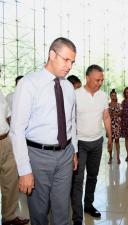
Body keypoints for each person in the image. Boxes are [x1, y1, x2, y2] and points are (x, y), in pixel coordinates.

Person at [9, 37, 78, 225]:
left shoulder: (69, 87)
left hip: (65, 155)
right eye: (66, 60)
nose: (69, 66)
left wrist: (74, 150)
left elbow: (72, 122)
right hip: (38, 156)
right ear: (52, 54)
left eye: (72, 62)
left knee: (63, 211)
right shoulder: (28, 84)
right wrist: (24, 170)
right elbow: (16, 130)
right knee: (39, 212)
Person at [71, 64, 112, 225]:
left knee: (93, 177)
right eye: (97, 80)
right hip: (80, 143)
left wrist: (109, 137)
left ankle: (88, 205)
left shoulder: (103, 95)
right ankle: (77, 217)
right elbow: (70, 120)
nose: (100, 82)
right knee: (78, 180)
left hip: (97, 142)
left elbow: (106, 117)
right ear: (87, 77)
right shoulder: (75, 95)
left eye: (102, 80)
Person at [0, 90, 29, 225]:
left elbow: (8, 116)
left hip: (5, 139)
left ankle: (9, 216)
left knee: (10, 181)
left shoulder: (0, 92)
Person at [108, 89, 122, 164]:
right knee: (110, 141)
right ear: (110, 96)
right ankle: (110, 157)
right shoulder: (108, 105)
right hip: (109, 125)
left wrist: (115, 114)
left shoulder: (119, 104)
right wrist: (113, 114)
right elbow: (107, 115)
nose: (113, 96)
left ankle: (118, 157)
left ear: (116, 96)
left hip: (117, 125)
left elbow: (121, 114)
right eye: (112, 95)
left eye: (115, 95)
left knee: (117, 141)